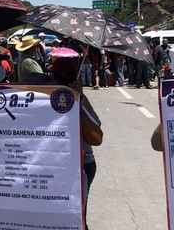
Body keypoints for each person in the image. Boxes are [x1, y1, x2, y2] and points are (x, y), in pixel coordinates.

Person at [50, 58, 102, 230]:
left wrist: (79, 102)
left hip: (81, 166)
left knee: (75, 217)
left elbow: (96, 138)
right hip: (55, 167)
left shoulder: (80, 101)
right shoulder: (46, 99)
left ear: (53, 77)